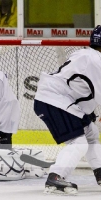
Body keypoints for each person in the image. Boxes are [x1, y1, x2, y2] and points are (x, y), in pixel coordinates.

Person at [34, 25, 101, 195]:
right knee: (78, 143)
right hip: (54, 101)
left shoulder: (86, 54)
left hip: (61, 101)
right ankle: (56, 177)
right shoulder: (96, 61)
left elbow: (82, 88)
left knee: (91, 133)